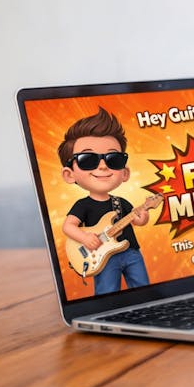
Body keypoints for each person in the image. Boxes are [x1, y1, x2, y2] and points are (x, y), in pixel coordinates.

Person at [59, 107, 151, 294]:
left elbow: (139, 221)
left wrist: (145, 213)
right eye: (87, 159)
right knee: (107, 292)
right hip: (103, 257)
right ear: (69, 174)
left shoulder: (121, 202)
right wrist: (85, 238)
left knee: (143, 288)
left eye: (113, 159)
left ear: (124, 173)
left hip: (131, 251)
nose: (102, 166)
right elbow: (68, 227)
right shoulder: (82, 205)